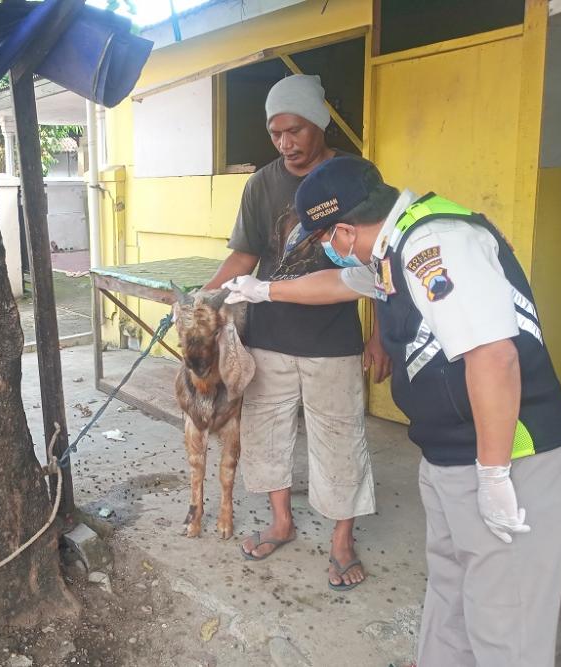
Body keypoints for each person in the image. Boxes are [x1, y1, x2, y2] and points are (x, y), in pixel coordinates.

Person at [224, 155, 561, 667]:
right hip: (452, 451)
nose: (324, 252)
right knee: (453, 589)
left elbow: (494, 357)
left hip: (511, 451)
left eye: (322, 241)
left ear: (344, 231)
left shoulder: (436, 245)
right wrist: (264, 290)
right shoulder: (392, 247)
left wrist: (496, 474)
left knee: (506, 616)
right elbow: (343, 285)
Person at [204, 74, 385, 589]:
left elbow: (379, 259)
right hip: (269, 335)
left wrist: (380, 335)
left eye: (296, 129)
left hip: (333, 338)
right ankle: (282, 522)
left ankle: (341, 540)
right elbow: (245, 254)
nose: (286, 143)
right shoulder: (261, 184)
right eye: (275, 132)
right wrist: (208, 293)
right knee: (267, 433)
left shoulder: (356, 176)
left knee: (339, 436)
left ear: (320, 123)